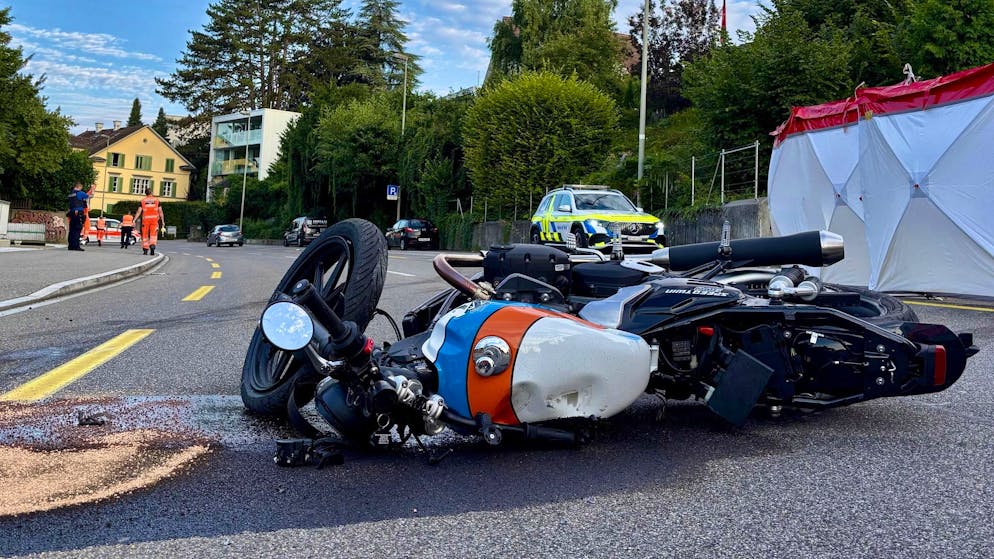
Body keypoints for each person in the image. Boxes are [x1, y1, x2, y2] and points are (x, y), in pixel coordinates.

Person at [134, 186, 164, 255]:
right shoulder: (157, 201)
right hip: (154, 220)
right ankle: (152, 246)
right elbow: (160, 212)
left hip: (145, 221)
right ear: (151, 193)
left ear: (146, 194)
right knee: (153, 235)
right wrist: (163, 221)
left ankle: (145, 249)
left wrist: (134, 220)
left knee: (145, 235)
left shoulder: (143, 201)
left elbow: (139, 211)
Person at [66, 182, 89, 251]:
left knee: (72, 230)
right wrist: (92, 190)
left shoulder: (71, 194)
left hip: (72, 212)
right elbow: (88, 196)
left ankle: (70, 246)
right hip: (78, 212)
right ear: (79, 187)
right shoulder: (80, 193)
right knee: (77, 229)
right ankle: (76, 246)